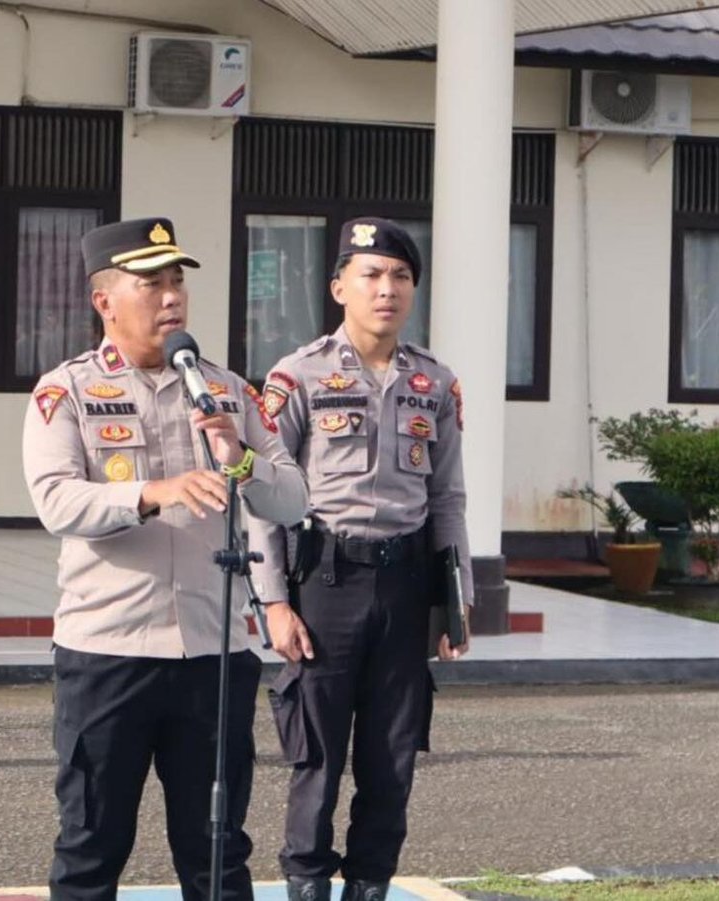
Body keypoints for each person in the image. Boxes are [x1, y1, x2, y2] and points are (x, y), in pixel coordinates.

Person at [22, 218, 307, 901]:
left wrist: (240, 457)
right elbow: (57, 501)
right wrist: (151, 492)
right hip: (107, 654)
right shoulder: (66, 391)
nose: (172, 297)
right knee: (91, 845)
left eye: (178, 280)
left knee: (217, 851)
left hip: (212, 656)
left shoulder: (227, 390)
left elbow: (294, 498)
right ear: (105, 301)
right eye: (152, 283)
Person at [249, 218, 474, 901]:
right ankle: (307, 883)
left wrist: (454, 603)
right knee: (316, 752)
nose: (387, 289)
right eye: (372, 275)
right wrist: (275, 601)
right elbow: (263, 495)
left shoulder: (435, 382)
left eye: (401, 277)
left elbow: (448, 496)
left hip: (405, 585)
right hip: (324, 580)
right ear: (339, 284)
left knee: (392, 753)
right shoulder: (298, 375)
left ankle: (369, 883)